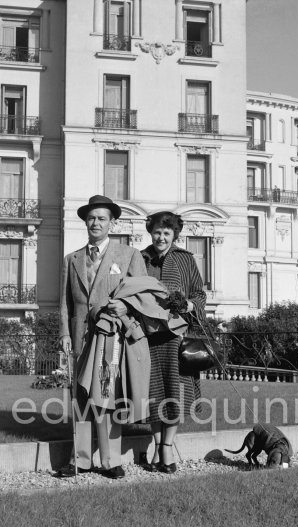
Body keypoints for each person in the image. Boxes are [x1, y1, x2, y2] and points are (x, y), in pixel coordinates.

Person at [58, 195, 148, 479]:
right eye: (91, 218)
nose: (95, 223)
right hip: (80, 338)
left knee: (106, 396)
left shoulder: (129, 255)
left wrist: (125, 306)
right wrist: (64, 334)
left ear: (112, 223)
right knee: (82, 397)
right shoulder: (72, 259)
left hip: (111, 339)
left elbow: (144, 294)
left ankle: (110, 461)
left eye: (101, 218)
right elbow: (65, 304)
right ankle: (80, 460)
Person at [140, 211, 207, 473]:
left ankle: (167, 448)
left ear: (174, 235)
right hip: (147, 338)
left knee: (175, 392)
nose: (161, 237)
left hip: (177, 339)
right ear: (151, 232)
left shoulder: (185, 259)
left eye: (167, 233)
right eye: (157, 232)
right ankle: (157, 446)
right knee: (153, 393)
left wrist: (190, 304)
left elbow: (199, 294)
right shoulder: (141, 258)